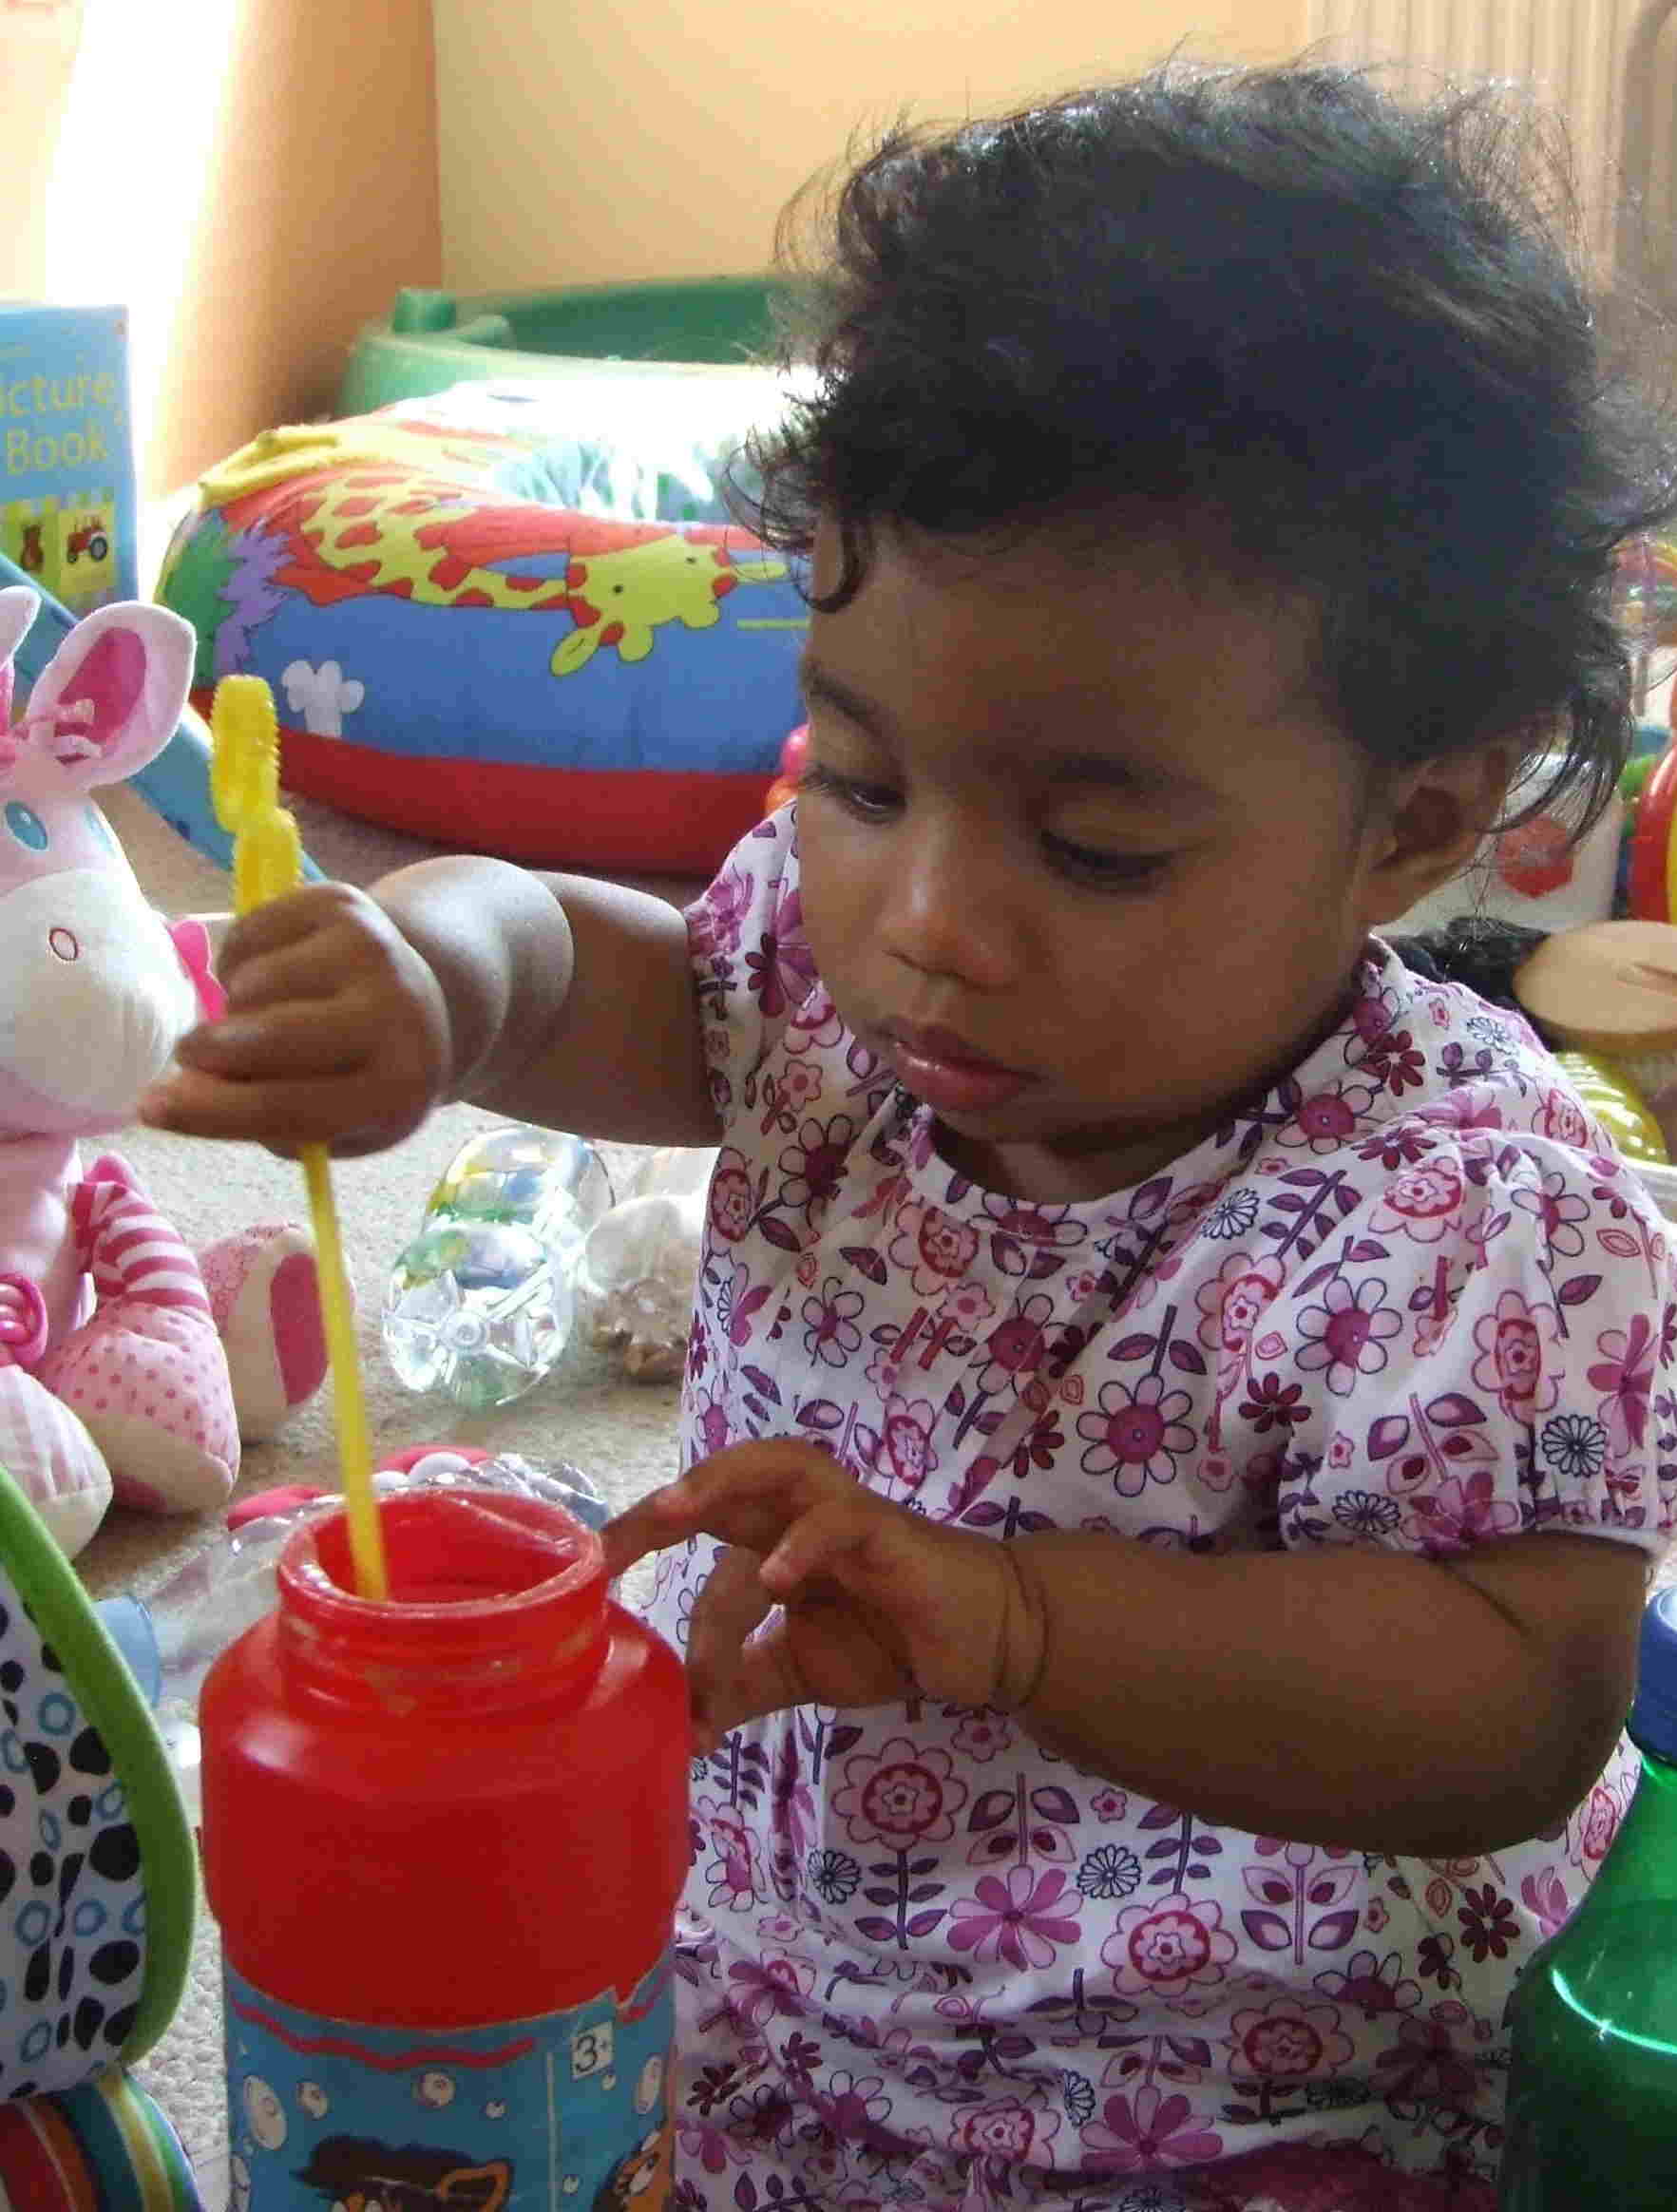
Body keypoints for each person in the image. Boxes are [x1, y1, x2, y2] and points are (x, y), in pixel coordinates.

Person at [143, 58, 1677, 2210]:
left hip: (1238, 2088)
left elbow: (1508, 1714)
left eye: (1096, 846)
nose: (928, 921)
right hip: (777, 1984)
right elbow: (590, 961)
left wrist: (1018, 1619)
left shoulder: (1470, 1218)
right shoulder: (823, 980)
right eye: (860, 781)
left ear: (1412, 823)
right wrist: (432, 980)